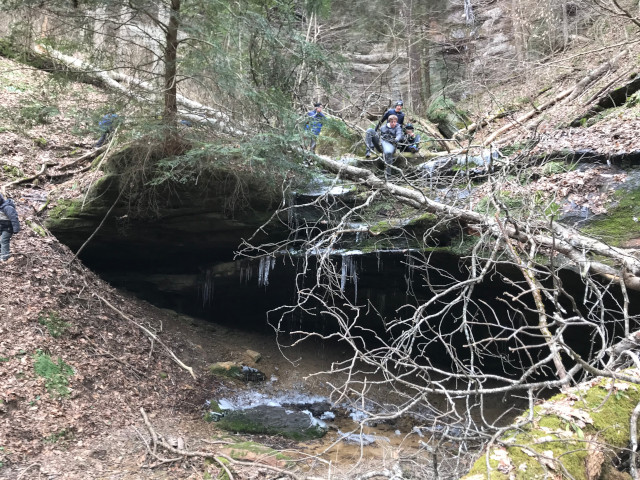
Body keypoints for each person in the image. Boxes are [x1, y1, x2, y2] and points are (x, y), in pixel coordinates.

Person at [365, 114, 403, 178]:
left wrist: (396, 139)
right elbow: (377, 135)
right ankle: (368, 151)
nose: (393, 123)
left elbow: (399, 135)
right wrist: (372, 146)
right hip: (381, 144)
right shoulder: (383, 127)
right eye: (392, 122)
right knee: (370, 131)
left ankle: (388, 175)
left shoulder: (398, 128)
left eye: (395, 122)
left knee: (388, 152)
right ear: (389, 121)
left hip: (391, 144)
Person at [0, 193, 20, 262]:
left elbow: (14, 218)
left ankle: (5, 256)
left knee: (4, 240)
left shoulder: (7, 207)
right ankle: (1, 252)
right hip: (2, 227)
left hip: (8, 228)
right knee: (1, 240)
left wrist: (16, 229)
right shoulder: (1, 207)